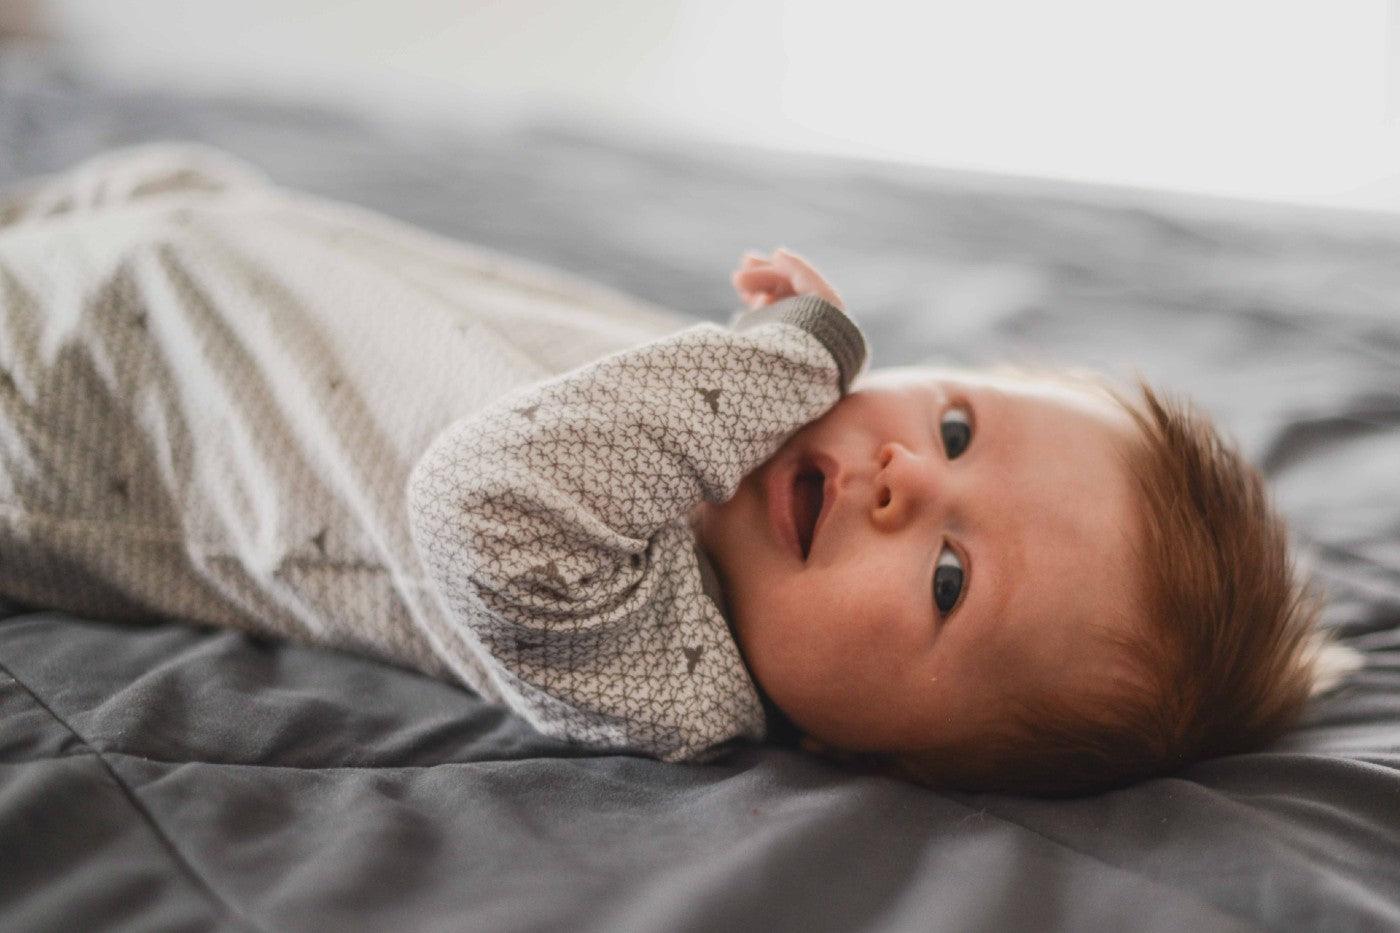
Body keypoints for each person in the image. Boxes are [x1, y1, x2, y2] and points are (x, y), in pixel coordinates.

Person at [0, 146, 1358, 797]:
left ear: (864, 747)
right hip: (155, 245)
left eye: (949, 575)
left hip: (55, 411)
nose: (902, 480)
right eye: (955, 428)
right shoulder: (740, 445)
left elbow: (478, 505)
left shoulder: (672, 662)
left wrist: (795, 352)